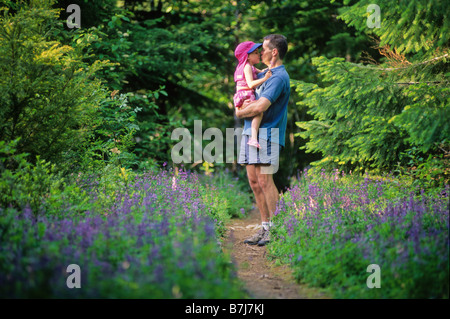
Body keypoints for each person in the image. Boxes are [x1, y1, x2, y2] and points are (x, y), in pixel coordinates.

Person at [235, 34, 290, 246]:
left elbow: (260, 107)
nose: (260, 52)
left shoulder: (277, 77)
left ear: (274, 52)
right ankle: (265, 227)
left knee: (266, 181)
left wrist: (240, 113)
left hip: (269, 134)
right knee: (254, 181)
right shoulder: (262, 72)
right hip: (252, 133)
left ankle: (275, 231)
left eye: (264, 49)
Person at [233, 41, 272, 149]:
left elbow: (259, 71)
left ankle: (251, 138)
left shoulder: (247, 66)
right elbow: (250, 84)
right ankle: (253, 139)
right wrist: (265, 79)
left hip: (242, 96)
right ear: (247, 56)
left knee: (254, 114)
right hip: (245, 94)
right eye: (255, 52)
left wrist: (265, 71)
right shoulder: (247, 67)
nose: (258, 54)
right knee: (258, 113)